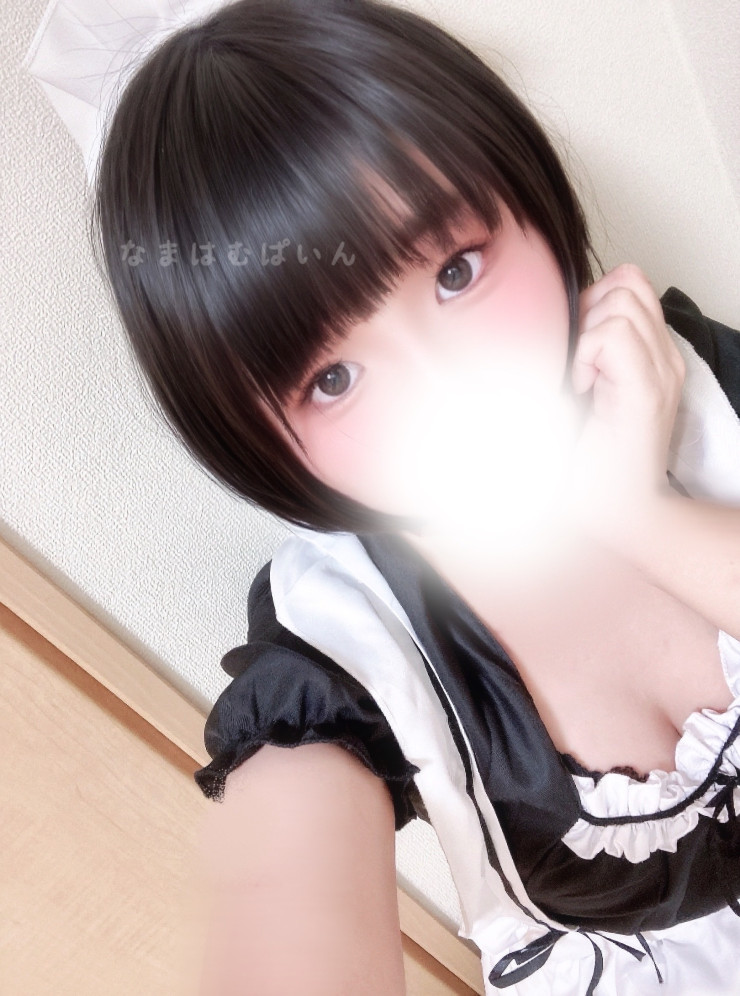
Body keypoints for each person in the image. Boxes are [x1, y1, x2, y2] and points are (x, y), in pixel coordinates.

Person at [27, 0, 740, 992]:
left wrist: (636, 513)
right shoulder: (341, 644)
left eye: (455, 271)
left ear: (528, 198)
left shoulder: (686, 386)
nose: (445, 384)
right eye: (331, 378)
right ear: (250, 436)